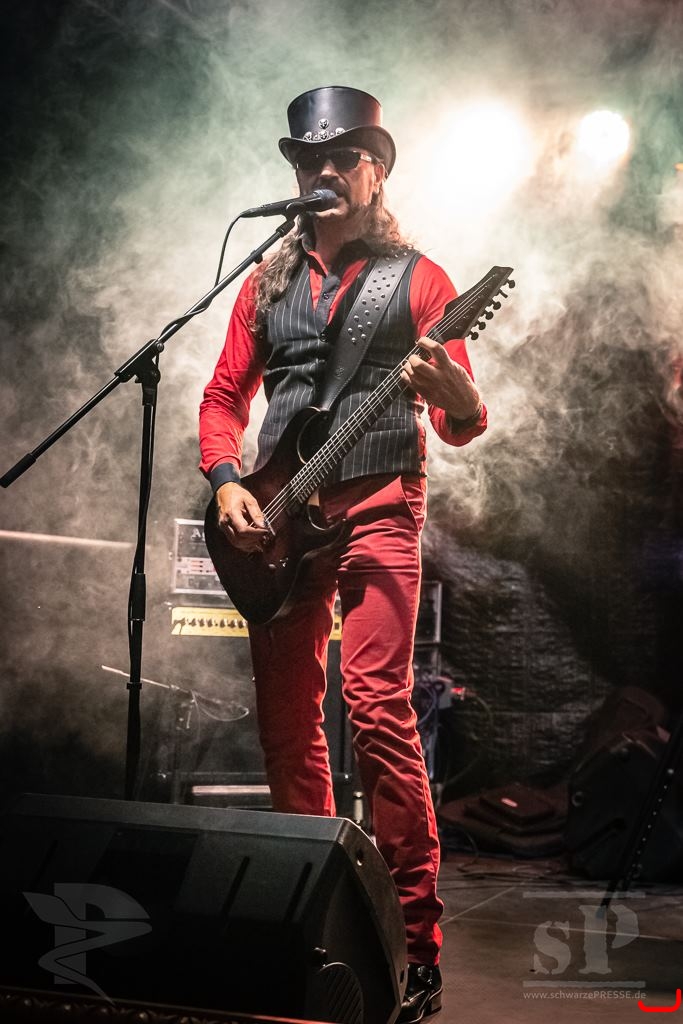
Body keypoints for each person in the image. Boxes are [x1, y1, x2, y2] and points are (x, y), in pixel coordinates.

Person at [199, 85, 486, 1023]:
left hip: (379, 507)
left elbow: (461, 420)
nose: (322, 171)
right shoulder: (265, 280)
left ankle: (416, 947)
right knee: (287, 728)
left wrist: (454, 394)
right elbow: (220, 398)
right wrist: (227, 481)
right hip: (279, 523)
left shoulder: (423, 281)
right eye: (306, 159)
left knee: (376, 709)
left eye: (342, 156)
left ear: (376, 170)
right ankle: (310, 920)